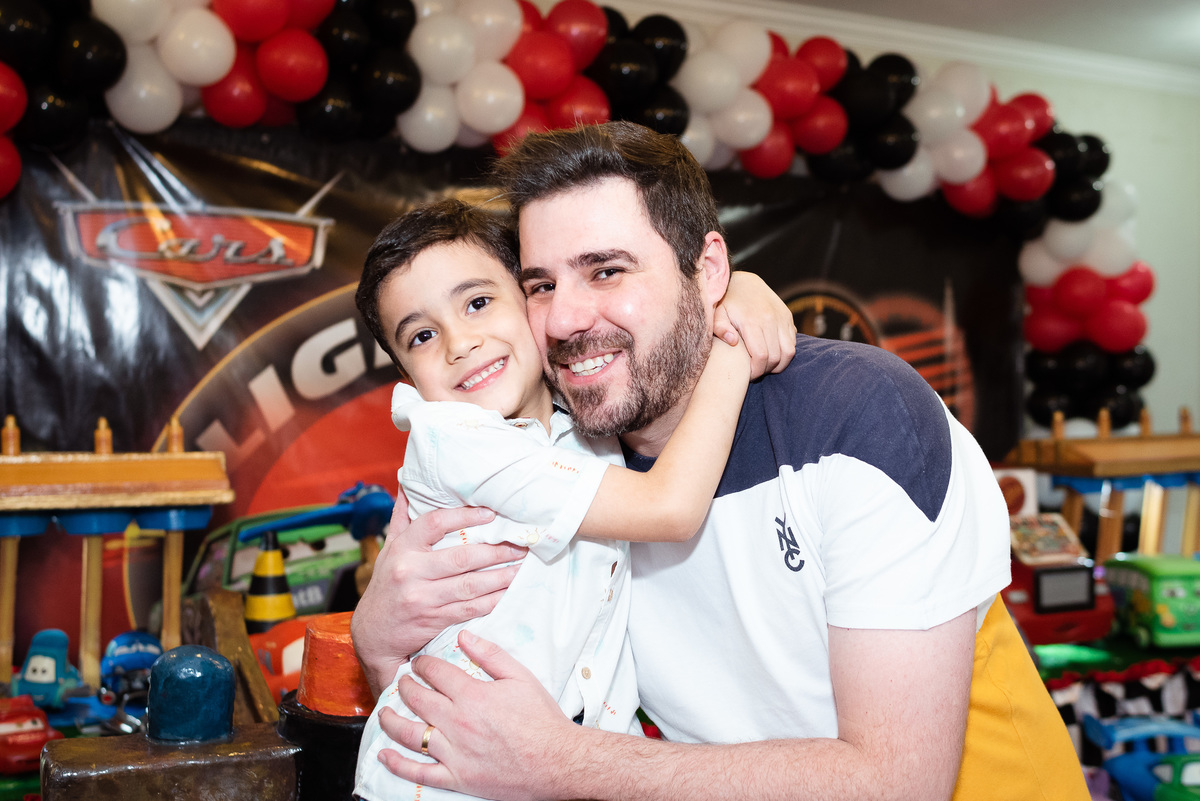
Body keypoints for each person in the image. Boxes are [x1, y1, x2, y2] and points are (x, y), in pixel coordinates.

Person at [352, 122, 1090, 801]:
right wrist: (377, 639)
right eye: (542, 285)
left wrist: (563, 759)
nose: (567, 318)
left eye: (606, 270)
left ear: (708, 270)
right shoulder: (567, 453)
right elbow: (463, 699)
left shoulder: (859, 415)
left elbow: (897, 783)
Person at [351, 198, 793, 801]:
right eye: (422, 336)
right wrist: (732, 347)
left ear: (533, 305)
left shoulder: (574, 416)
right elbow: (668, 507)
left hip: (552, 762)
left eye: (478, 303)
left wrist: (733, 287)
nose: (460, 343)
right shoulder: (455, 441)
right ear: (407, 377)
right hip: (437, 776)